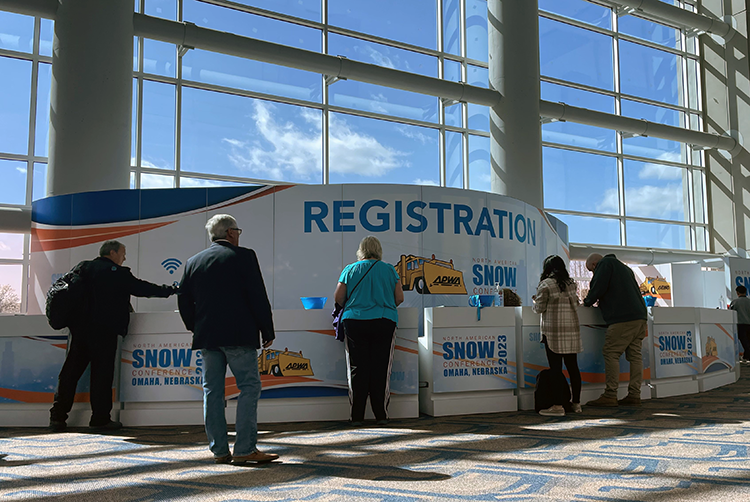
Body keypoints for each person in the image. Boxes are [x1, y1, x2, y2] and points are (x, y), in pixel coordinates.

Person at [178, 214, 278, 465]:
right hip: (238, 335)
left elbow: (183, 301)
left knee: (212, 392)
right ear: (231, 233)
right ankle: (244, 448)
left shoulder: (193, 262)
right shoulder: (244, 256)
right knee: (249, 387)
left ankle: (220, 450)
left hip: (207, 336)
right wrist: (267, 329)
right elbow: (257, 295)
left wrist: (195, 327)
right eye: (238, 231)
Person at [49, 240, 177, 432]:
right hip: (104, 332)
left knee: (69, 374)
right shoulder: (118, 274)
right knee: (101, 376)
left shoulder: (82, 268)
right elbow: (143, 289)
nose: (124, 257)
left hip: (79, 330)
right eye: (123, 253)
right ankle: (100, 419)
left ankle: (58, 417)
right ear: (112, 252)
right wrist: (170, 290)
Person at [334, 236, 404, 426]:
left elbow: (339, 297)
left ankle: (357, 416)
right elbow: (399, 298)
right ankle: (381, 415)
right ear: (379, 250)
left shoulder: (350, 269)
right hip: (384, 320)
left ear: (361, 250)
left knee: (357, 368)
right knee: (381, 368)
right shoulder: (390, 270)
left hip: (355, 322)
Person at [583, 253, 647, 407]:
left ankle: (610, 394)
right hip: (640, 317)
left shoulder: (605, 264)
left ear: (593, 265)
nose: (593, 273)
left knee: (611, 352)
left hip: (622, 318)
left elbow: (598, 286)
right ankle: (634, 394)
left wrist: (587, 301)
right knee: (635, 356)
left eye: (591, 271)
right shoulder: (624, 268)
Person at [532, 255, 582, 417]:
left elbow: (539, 309)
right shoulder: (572, 284)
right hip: (571, 331)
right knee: (573, 368)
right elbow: (576, 304)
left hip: (553, 332)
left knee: (556, 369)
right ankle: (576, 403)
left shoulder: (545, 284)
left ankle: (557, 405)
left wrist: (534, 301)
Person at [730, 285, 750, 363]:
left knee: (744, 342)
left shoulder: (735, 302)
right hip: (749, 324)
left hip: (740, 325)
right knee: (748, 341)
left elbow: (730, 313)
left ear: (737, 293)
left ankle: (747, 357)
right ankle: (746, 356)